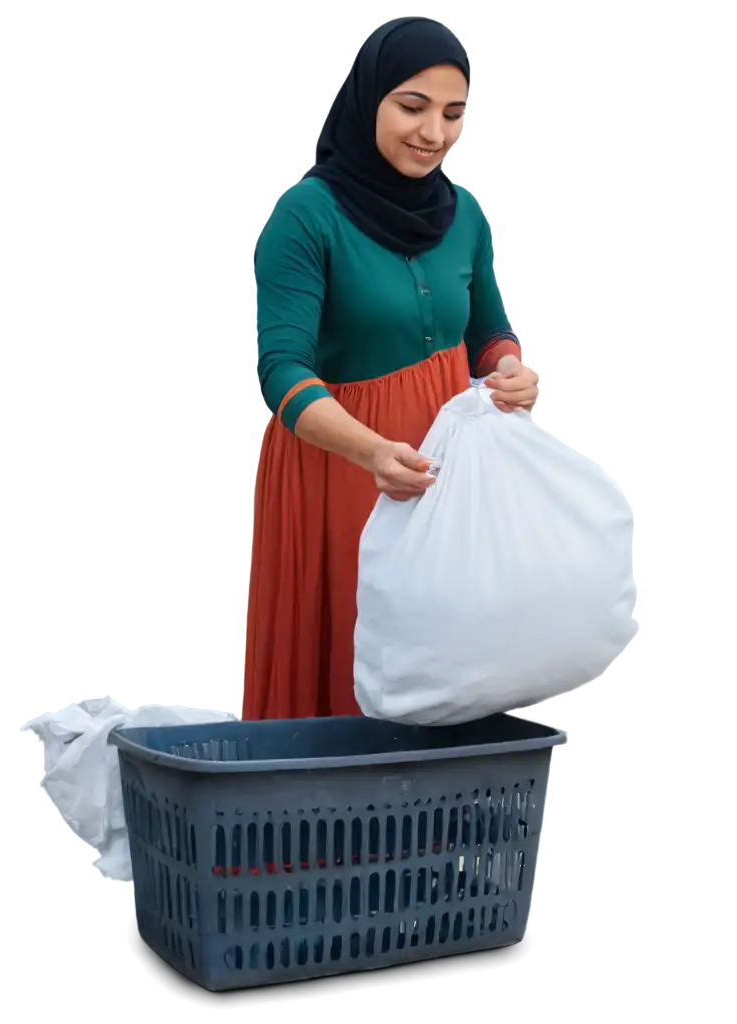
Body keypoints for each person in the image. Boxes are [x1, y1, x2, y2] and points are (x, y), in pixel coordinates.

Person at [241, 15, 543, 721]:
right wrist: (371, 450)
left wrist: (510, 369)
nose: (434, 132)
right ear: (367, 97)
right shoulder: (307, 213)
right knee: (354, 658)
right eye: (412, 106)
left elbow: (488, 332)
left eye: (454, 114)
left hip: (442, 475)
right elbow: (280, 369)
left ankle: (429, 824)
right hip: (342, 469)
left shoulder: (464, 212)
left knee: (439, 656)